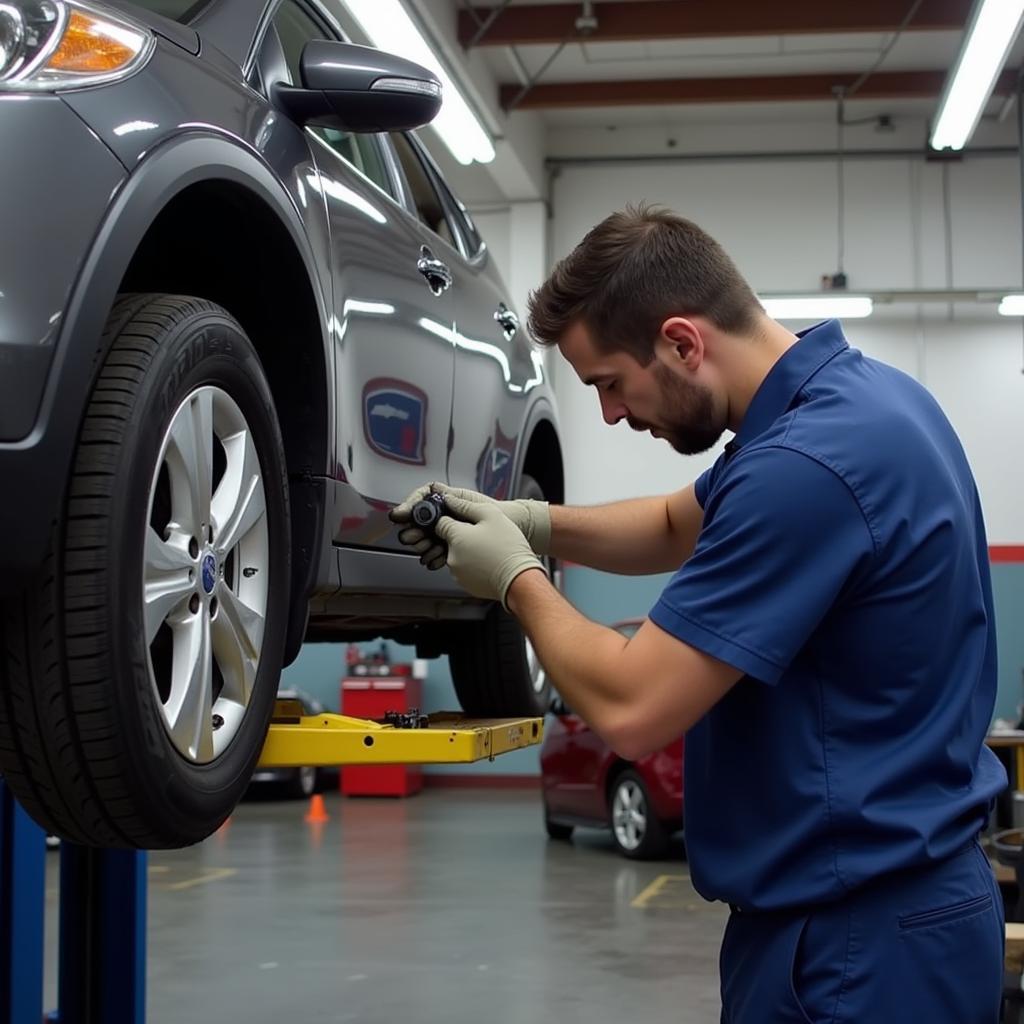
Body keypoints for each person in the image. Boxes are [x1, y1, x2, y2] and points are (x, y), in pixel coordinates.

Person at [390, 204, 1007, 1022]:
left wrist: (515, 578)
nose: (610, 413)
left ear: (682, 342)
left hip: (859, 944)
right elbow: (679, 522)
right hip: (875, 913)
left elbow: (632, 706)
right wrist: (532, 520)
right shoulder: (862, 406)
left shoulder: (806, 467)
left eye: (610, 383)